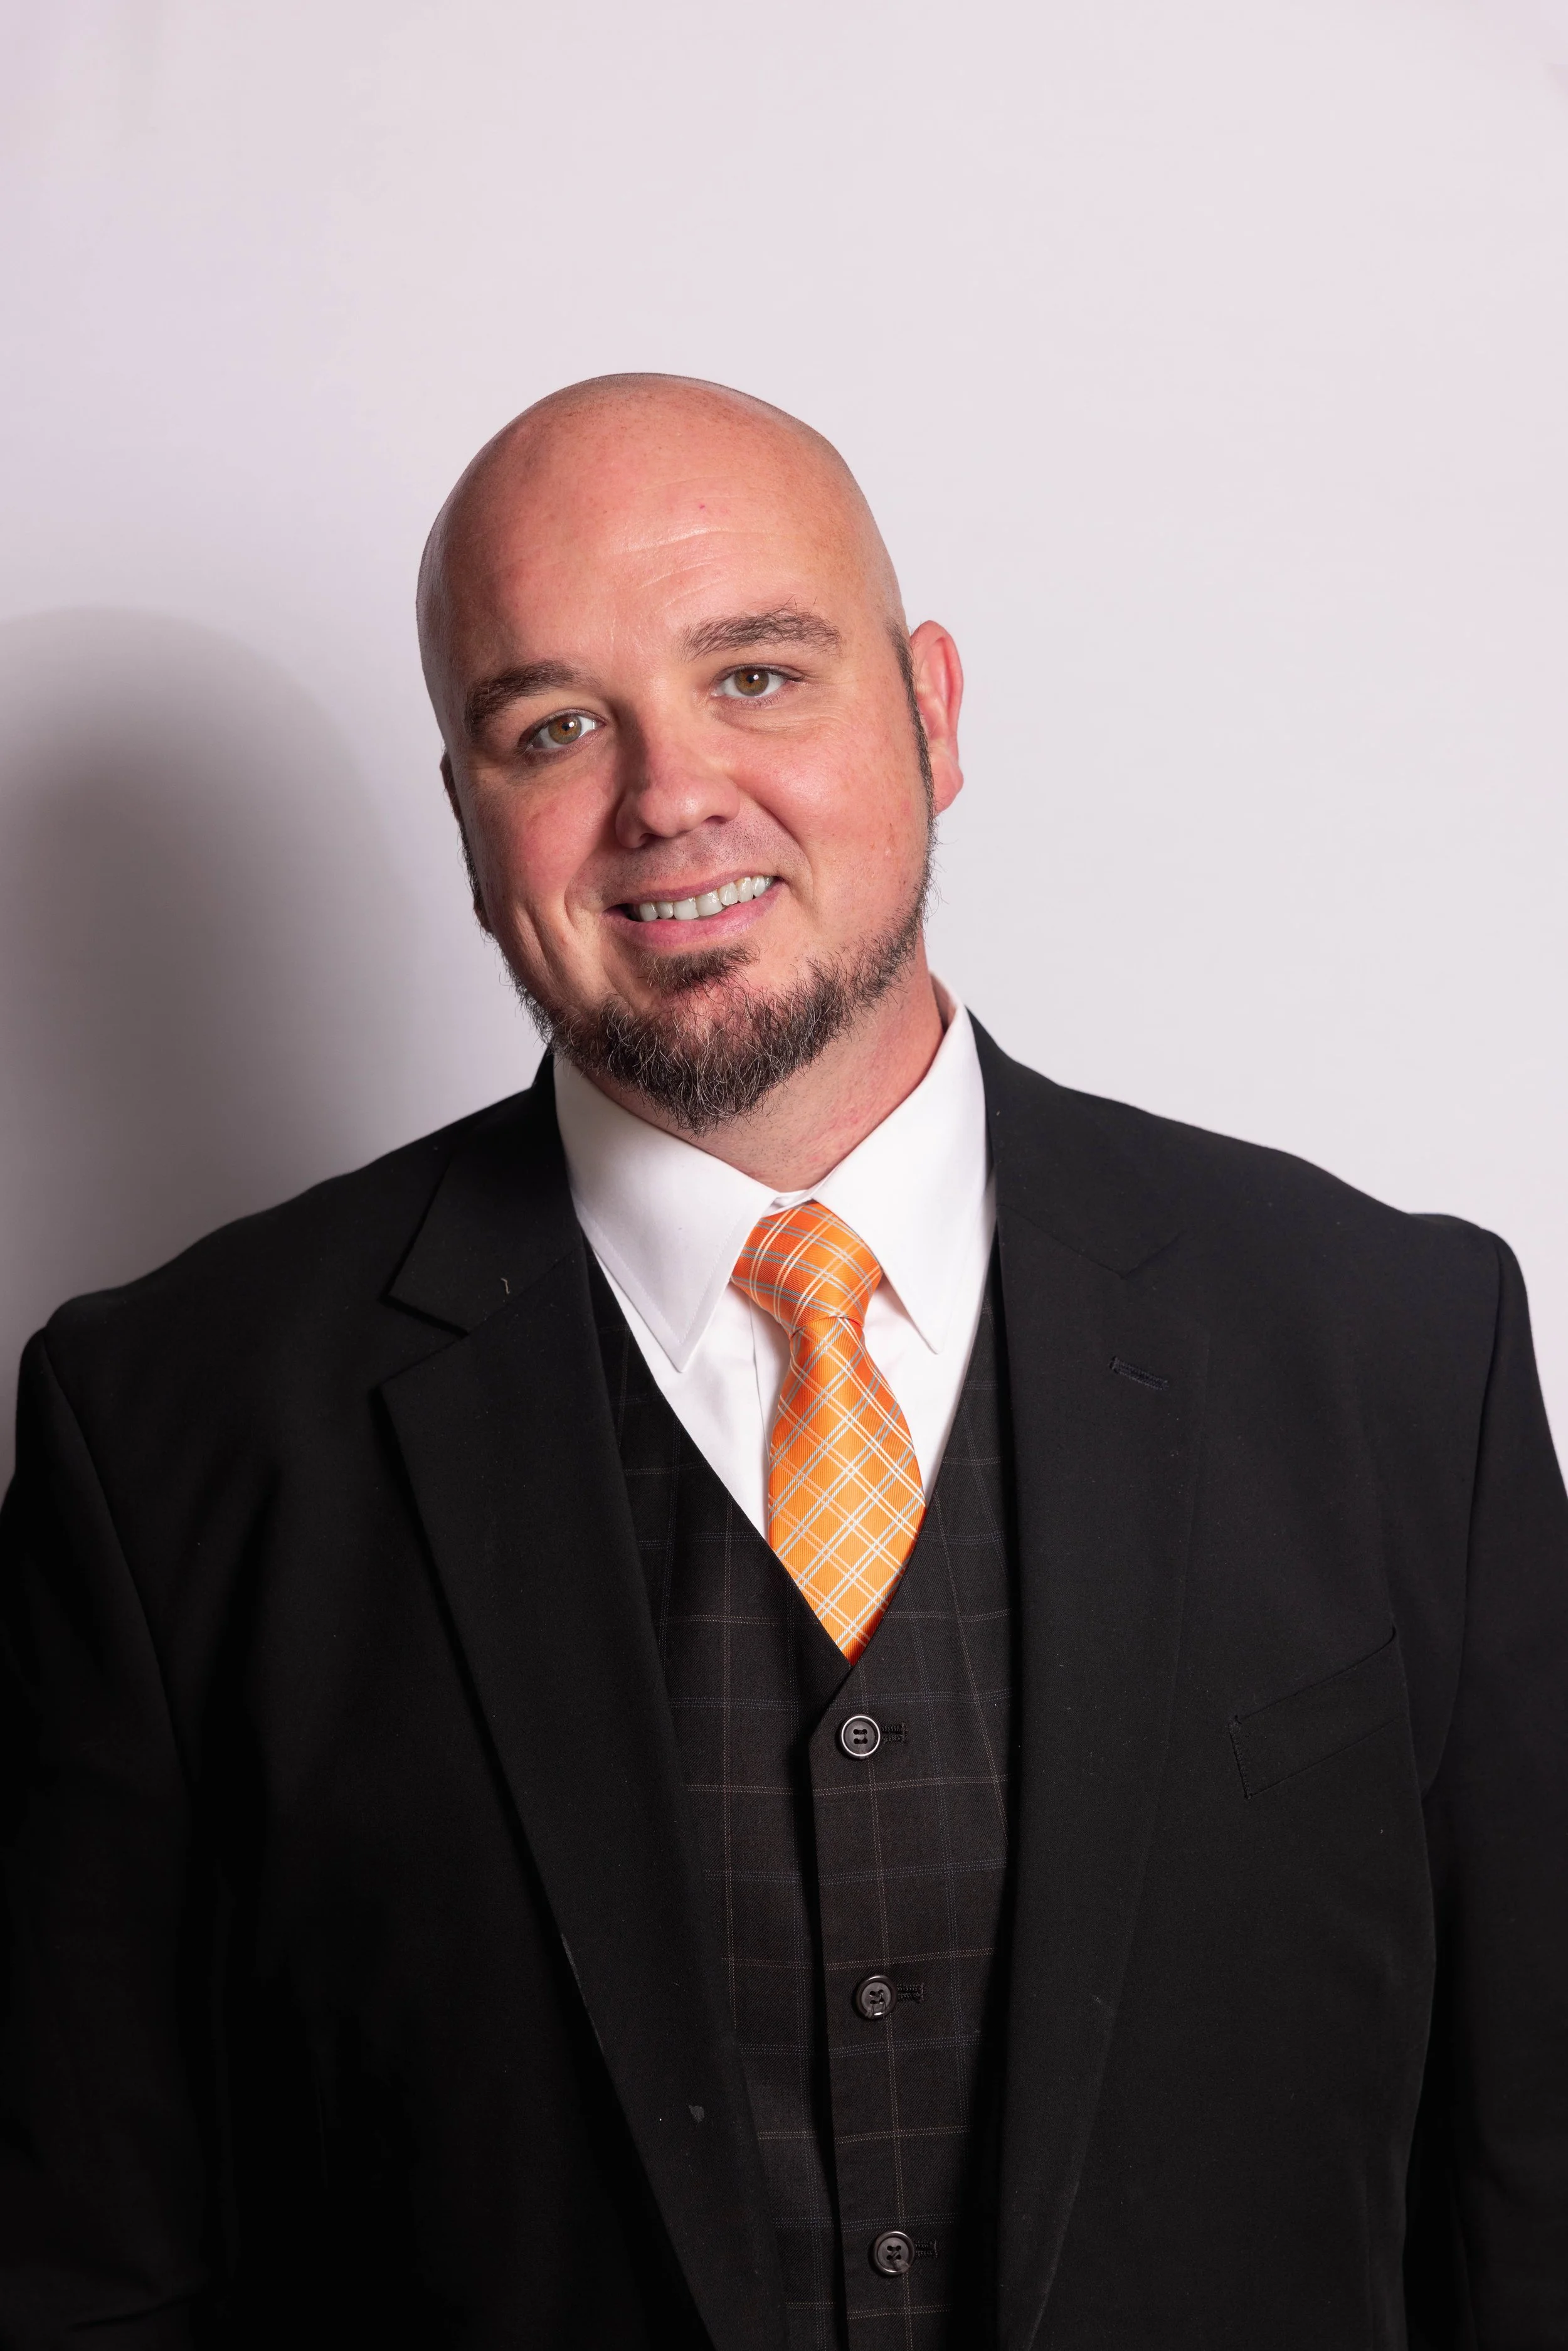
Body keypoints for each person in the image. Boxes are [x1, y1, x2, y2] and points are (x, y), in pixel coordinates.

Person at [1, 374, 1564, 2351]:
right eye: (553, 724)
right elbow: (88, 2275)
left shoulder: (1395, 1354)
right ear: (473, 819)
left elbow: (1531, 2204)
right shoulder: (170, 1430)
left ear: (934, 711)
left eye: (755, 673)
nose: (668, 794)